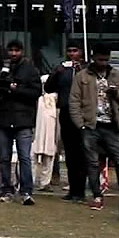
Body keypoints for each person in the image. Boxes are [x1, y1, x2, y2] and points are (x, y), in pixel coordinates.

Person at [69, 42, 119, 211]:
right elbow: (74, 102)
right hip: (91, 126)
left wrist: (116, 93)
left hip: (112, 126)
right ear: (93, 57)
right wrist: (81, 125)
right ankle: (96, 195)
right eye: (100, 59)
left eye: (106, 59)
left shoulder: (117, 75)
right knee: (92, 163)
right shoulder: (82, 76)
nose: (103, 63)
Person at [0, 40, 41, 205]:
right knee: (4, 157)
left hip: (23, 120)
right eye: (10, 50)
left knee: (24, 157)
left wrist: (15, 89)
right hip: (3, 119)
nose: (13, 53)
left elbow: (36, 92)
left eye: (16, 50)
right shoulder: (1, 69)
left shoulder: (30, 70)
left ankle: (26, 191)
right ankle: (7, 189)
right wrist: (1, 83)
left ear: (22, 51)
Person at [44, 41, 87, 202]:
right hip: (66, 112)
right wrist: (57, 72)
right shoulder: (62, 69)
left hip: (82, 114)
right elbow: (48, 88)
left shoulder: (86, 69)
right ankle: (73, 189)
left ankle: (81, 190)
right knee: (69, 153)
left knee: (81, 154)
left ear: (81, 52)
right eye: (69, 51)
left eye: (75, 51)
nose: (72, 54)